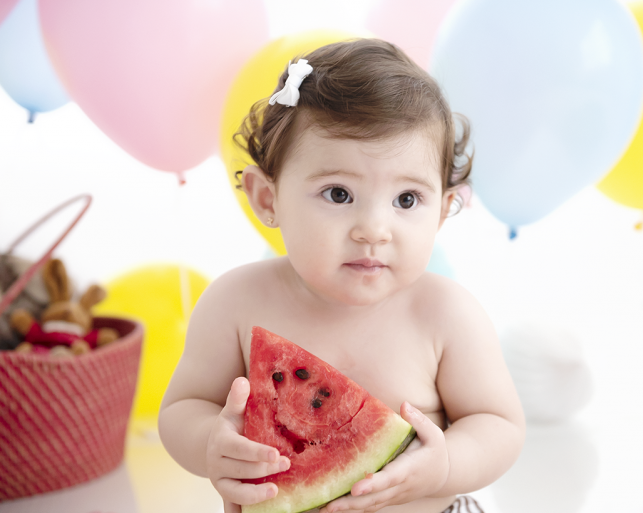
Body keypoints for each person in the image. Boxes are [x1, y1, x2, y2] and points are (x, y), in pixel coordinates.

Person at [158, 38, 525, 513]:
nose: (374, 230)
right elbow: (182, 409)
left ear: (443, 210)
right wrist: (212, 441)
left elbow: (498, 423)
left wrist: (446, 465)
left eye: (407, 200)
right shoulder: (234, 302)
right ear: (268, 199)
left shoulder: (446, 313)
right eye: (338, 194)